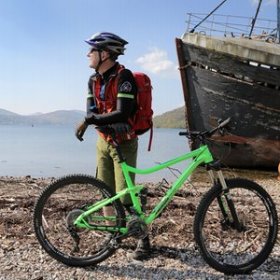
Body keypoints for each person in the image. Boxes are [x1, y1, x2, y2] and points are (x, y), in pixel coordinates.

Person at [75, 32, 150, 260]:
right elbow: (92, 110)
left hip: (125, 143)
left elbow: (123, 112)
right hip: (103, 142)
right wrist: (93, 119)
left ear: (104, 54)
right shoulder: (93, 79)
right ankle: (114, 233)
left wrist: (90, 121)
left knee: (126, 195)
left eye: (92, 50)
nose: (87, 54)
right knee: (105, 193)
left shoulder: (124, 76)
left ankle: (143, 240)